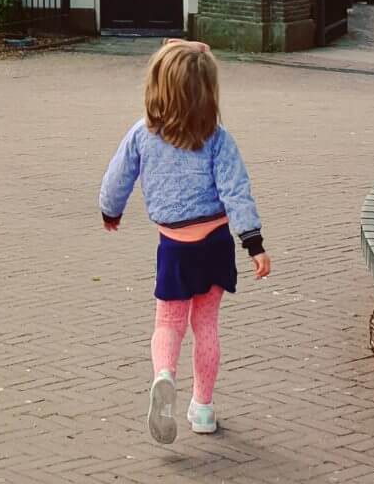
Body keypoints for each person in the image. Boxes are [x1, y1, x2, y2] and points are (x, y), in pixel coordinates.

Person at [99, 39, 270, 444]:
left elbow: (116, 178)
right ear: (209, 92)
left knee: (168, 322)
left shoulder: (143, 133)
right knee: (206, 323)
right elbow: (237, 191)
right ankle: (204, 408)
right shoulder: (218, 138)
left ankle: (164, 376)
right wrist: (254, 243)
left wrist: (111, 211)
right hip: (213, 242)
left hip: (173, 245)